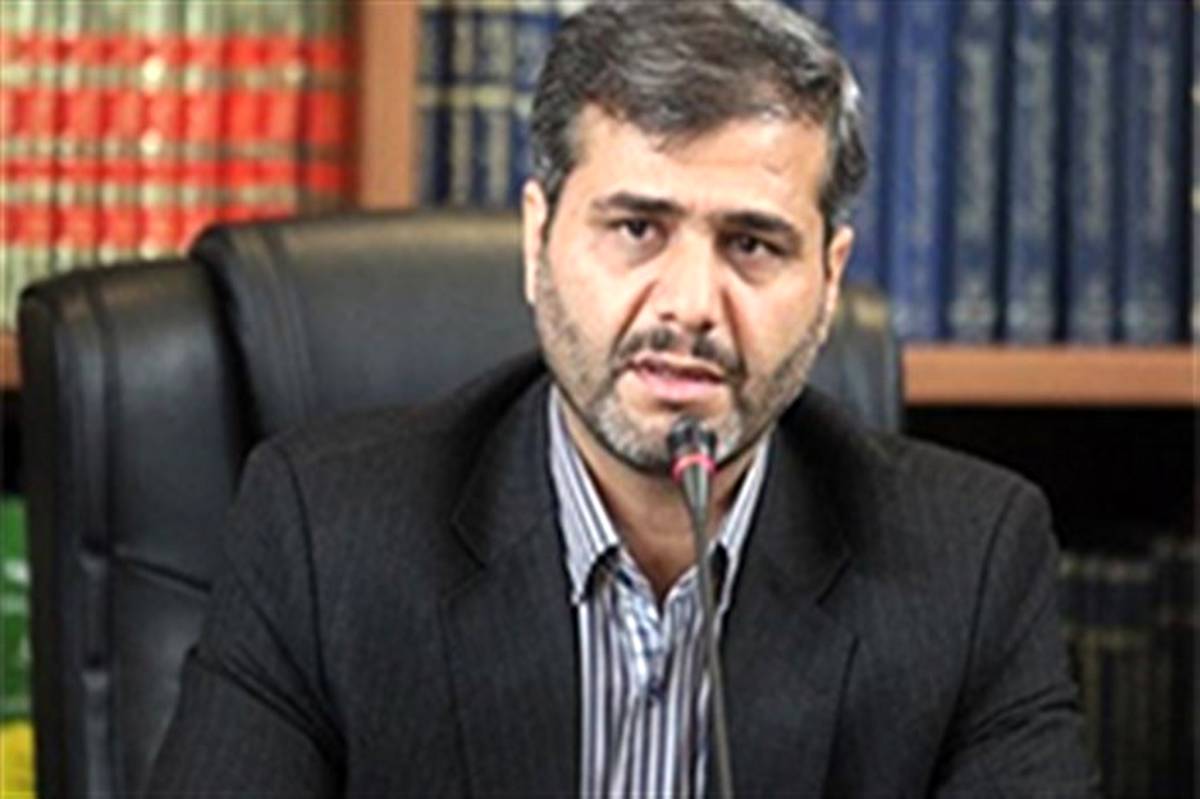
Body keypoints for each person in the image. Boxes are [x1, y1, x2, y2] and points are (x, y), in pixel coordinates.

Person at [148, 2, 1097, 796]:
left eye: (752, 245)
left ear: (829, 279)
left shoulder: (970, 562)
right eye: (638, 227)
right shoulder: (326, 538)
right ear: (537, 242)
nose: (689, 305)